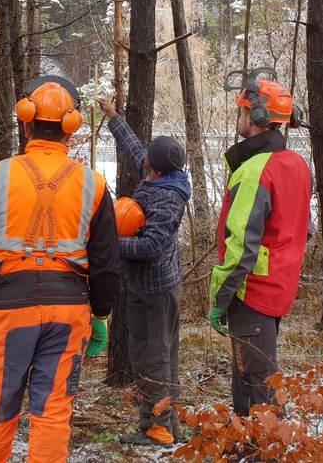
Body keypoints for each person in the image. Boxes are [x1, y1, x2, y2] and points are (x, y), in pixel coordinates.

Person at [0, 76, 121, 463]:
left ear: (26, 123)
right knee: (52, 411)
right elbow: (108, 264)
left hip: (10, 309)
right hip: (69, 310)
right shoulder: (92, 185)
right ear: (72, 129)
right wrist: (100, 313)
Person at [208, 74, 312, 422]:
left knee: (257, 383)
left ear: (255, 118)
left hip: (252, 291)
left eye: (241, 111)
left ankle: (264, 451)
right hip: (277, 288)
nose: (238, 118)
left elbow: (240, 246)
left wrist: (221, 297)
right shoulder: (296, 164)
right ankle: (245, 446)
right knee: (249, 375)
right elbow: (302, 229)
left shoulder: (255, 171)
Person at [96, 98, 192, 446]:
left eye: (149, 158)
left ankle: (157, 429)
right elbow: (137, 150)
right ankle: (169, 424)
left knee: (151, 359)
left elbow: (151, 248)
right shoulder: (159, 175)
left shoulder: (168, 198)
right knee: (161, 355)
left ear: (157, 168)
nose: (143, 160)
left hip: (155, 292)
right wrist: (114, 118)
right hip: (150, 289)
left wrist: (109, 245)